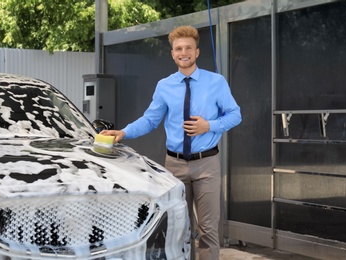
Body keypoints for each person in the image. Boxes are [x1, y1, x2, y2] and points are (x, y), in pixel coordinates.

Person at [101, 25, 241, 260]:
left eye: (188, 48)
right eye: (178, 48)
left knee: (208, 229)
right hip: (174, 166)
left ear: (197, 52)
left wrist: (209, 126)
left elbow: (235, 115)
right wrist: (123, 132)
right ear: (173, 54)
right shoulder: (164, 86)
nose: (183, 52)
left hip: (207, 163)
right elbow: (150, 120)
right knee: (178, 228)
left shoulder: (215, 82)